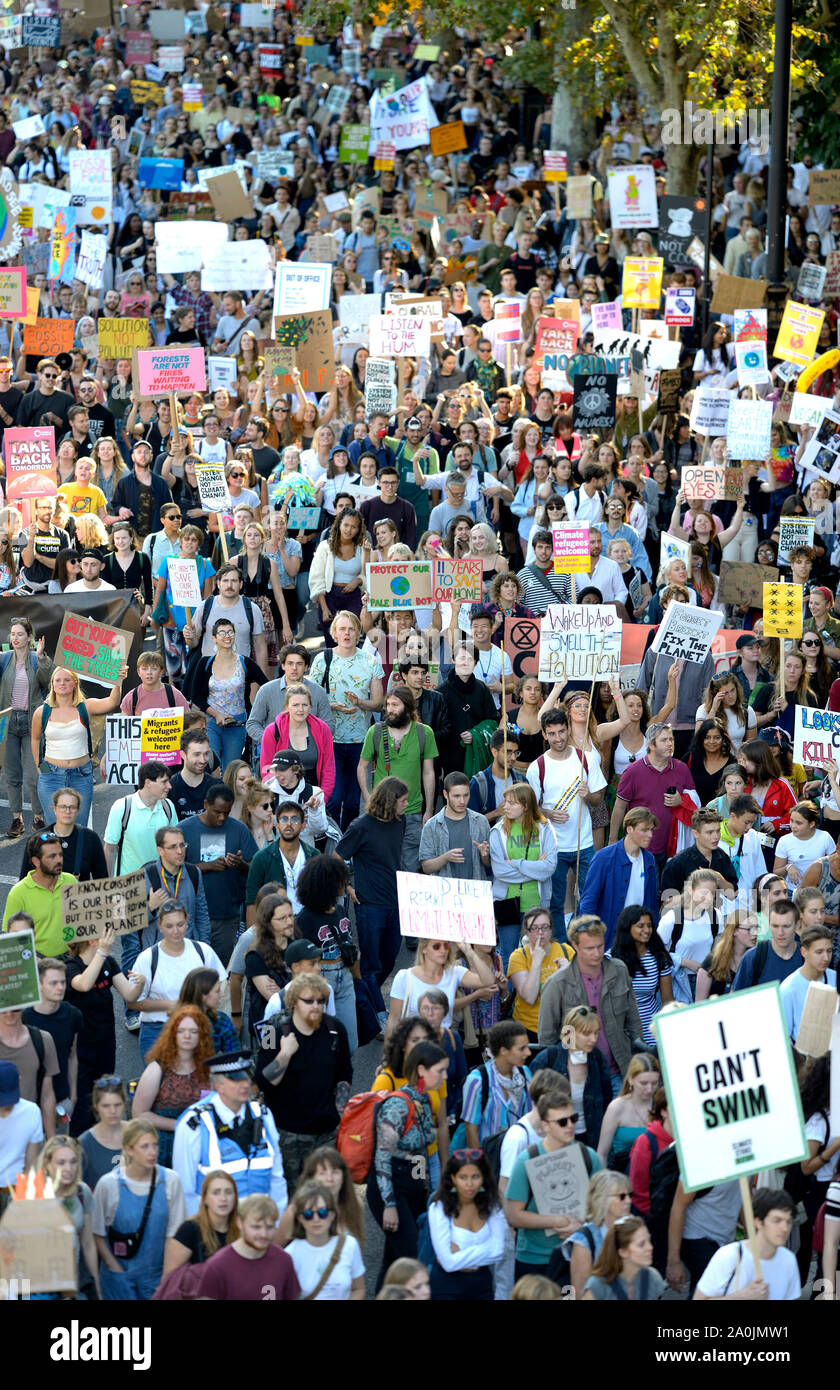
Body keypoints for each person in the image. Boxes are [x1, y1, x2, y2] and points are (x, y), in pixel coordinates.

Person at [255, 972, 353, 1189]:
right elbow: (262, 1081)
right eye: (308, 1001)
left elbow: (344, 1075)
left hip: (325, 1134)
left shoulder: (336, 1030)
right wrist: (285, 1054)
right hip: (286, 1135)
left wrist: (337, 1112)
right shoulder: (273, 1029)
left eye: (321, 1001)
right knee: (293, 1199)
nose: (316, 1006)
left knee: (325, 1199)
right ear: (293, 1002)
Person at [367, 1040, 448, 1287]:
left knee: (393, 1261)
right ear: (422, 1071)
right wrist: (389, 1205)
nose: (445, 1077)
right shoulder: (398, 1105)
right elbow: (381, 1157)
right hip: (391, 1189)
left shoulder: (424, 1100)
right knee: (415, 1261)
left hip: (412, 1187)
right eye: (440, 1071)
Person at [538, 915, 643, 1097]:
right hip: (578, 1075)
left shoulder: (619, 970)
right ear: (575, 946)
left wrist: (638, 1059)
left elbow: (633, 1020)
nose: (597, 953)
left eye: (600, 946)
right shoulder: (557, 984)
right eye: (589, 948)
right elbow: (547, 1038)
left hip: (619, 1070)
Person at [172, 1048, 287, 1215]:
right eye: (236, 1080)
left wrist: (277, 1225)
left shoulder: (262, 1114)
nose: (245, 1084)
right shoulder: (194, 1123)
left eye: (247, 1078)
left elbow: (277, 1178)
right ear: (219, 1086)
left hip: (260, 1227)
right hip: (217, 1230)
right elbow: (185, 1189)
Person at [505, 1090, 602, 1281]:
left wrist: (581, 1225)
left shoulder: (588, 1157)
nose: (570, 1126)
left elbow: (603, 1206)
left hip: (577, 1256)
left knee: (570, 1296)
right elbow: (513, 1215)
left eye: (573, 1118)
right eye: (562, 1122)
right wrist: (557, 1221)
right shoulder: (527, 1160)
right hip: (535, 1261)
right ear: (545, 1126)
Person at [525, 708, 606, 935]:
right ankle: (561, 947)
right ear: (544, 735)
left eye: (562, 732)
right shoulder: (537, 767)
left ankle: (583, 940)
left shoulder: (586, 759)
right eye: (552, 734)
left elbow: (598, 798)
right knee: (556, 902)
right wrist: (549, 814)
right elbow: (531, 809)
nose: (558, 738)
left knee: (590, 897)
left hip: (585, 843)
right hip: (554, 845)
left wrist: (587, 795)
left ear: (568, 729)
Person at [336, 778, 407, 1024]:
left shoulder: (400, 821)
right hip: (369, 906)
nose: (406, 805)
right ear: (389, 801)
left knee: (389, 957)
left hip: (395, 902)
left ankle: (361, 998)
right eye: (403, 801)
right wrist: (346, 885)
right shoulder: (361, 826)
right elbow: (337, 857)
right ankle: (378, 1014)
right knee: (371, 963)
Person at [92, 1118, 187, 1301]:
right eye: (144, 1147)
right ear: (129, 1149)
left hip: (156, 1278)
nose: (152, 1152)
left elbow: (174, 1235)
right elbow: (97, 1233)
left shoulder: (171, 1181)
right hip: (118, 1280)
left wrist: (166, 1280)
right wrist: (115, 1270)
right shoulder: (108, 1184)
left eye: (155, 1145)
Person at [308, 611, 384, 831]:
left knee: (352, 801)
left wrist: (360, 702)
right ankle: (329, 837)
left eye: (351, 629)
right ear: (334, 633)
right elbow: (310, 699)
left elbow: (378, 703)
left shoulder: (370, 660)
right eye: (342, 629)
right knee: (333, 797)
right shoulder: (323, 659)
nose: (347, 633)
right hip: (329, 739)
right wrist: (332, 706)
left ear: (358, 632)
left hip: (360, 740)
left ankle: (345, 847)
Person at [32, 664, 127, 829]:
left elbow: (112, 702)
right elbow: (34, 739)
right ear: (52, 684)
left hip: (81, 775)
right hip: (51, 777)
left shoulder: (86, 706)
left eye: (67, 680)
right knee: (56, 828)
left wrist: (118, 681)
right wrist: (40, 768)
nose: (62, 683)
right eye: (58, 680)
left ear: (75, 683)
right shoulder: (42, 712)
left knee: (80, 828)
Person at [132, 901, 227, 1063]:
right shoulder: (147, 958)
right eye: (169, 926)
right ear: (159, 925)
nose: (175, 931)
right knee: (159, 1083)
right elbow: (133, 1002)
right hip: (158, 1029)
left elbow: (222, 984)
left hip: (198, 1027)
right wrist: (170, 1005)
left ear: (188, 921)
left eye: (180, 925)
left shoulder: (203, 951)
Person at [357, 687, 437, 872]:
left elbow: (428, 773)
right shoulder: (375, 732)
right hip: (382, 813)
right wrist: (368, 797)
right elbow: (362, 766)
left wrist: (429, 810)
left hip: (413, 812)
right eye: (387, 705)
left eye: (395, 705)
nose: (389, 709)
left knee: (409, 868)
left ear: (408, 708)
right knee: (383, 866)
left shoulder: (424, 733)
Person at [180, 784, 258, 963]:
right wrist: (207, 866)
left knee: (222, 970)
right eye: (217, 812)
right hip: (192, 916)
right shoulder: (184, 829)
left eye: (227, 812)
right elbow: (173, 871)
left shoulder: (239, 829)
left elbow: (254, 871)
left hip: (227, 917)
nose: (222, 817)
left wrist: (240, 865)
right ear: (206, 805)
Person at [131, 1006, 214, 1167]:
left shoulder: (209, 1068)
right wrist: (180, 1126)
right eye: (181, 1031)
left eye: (193, 1031)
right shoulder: (157, 1069)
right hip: (164, 1150)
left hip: (200, 1148)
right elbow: (139, 1113)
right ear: (172, 1034)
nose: (187, 1036)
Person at [427, 1149, 507, 1301]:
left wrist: (461, 1254)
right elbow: (448, 1263)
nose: (469, 1184)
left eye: (475, 1177)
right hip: (446, 1288)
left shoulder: (492, 1206)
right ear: (453, 1178)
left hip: (482, 1285)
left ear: (483, 1178)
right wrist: (487, 1248)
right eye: (463, 1177)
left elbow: (498, 1252)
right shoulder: (439, 1208)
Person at [489, 784, 559, 956]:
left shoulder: (544, 828)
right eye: (506, 802)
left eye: (512, 803)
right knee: (508, 955)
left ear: (526, 806)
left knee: (536, 953)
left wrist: (515, 863)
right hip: (506, 902)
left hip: (536, 902)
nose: (505, 807)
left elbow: (549, 867)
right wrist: (535, 868)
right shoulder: (497, 831)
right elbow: (500, 871)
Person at [694, 1188, 800, 1300]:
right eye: (777, 1221)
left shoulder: (789, 1259)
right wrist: (742, 1297)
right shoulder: (730, 1255)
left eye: (788, 1222)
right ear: (758, 1222)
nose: (785, 1228)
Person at [0, 615, 53, 838]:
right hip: (9, 722)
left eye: (20, 634)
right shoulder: (4, 659)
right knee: (12, 774)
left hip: (33, 721)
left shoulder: (35, 658)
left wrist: (42, 658)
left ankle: (39, 817)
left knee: (34, 774)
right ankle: (16, 818)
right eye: (12, 634)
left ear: (30, 637)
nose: (15, 638)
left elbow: (51, 681)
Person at [192, 1193, 300, 1300]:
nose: (264, 1234)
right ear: (240, 1223)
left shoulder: (283, 1261)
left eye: (270, 1227)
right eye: (256, 1227)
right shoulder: (217, 1266)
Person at [578, 808, 660, 949]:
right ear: (629, 829)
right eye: (645, 830)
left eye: (651, 830)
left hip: (639, 939)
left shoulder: (649, 860)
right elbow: (589, 900)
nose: (650, 835)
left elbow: (651, 903)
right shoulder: (604, 858)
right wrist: (588, 938)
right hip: (609, 938)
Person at [22, 957, 82, 1132]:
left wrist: (73, 1095)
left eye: (63, 982)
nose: (60, 987)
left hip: (62, 1100)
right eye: (53, 983)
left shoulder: (73, 1015)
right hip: (30, 1103)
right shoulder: (24, 1018)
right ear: (39, 985)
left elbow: (73, 1056)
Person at [38, 1135, 101, 1299]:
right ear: (47, 1164)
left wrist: (97, 1289)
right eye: (61, 1163)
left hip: (73, 1282)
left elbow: (88, 1243)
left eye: (73, 1162)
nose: (68, 1168)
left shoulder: (82, 1192)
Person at [284, 1178, 365, 1300]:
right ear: (300, 1218)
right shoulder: (290, 1254)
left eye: (322, 1212)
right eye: (308, 1214)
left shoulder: (349, 1245)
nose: (316, 1219)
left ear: (332, 1215)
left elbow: (358, 1288)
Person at [459, 1020, 532, 1149]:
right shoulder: (477, 1081)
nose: (528, 1053)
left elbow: (529, 1119)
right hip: (489, 1158)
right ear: (503, 1050)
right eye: (522, 1048)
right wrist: (481, 1166)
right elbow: (471, 1129)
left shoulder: (525, 1074)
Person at [2, 834, 77, 957]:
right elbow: (10, 938)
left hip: (70, 960)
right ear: (36, 861)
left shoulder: (71, 881)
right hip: (38, 962)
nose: (59, 860)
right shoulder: (18, 893)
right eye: (52, 856)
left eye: (60, 855)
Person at [563, 1169, 634, 1300]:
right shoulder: (584, 1240)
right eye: (622, 1196)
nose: (629, 1201)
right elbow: (580, 1293)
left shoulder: (634, 1227)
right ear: (601, 1199)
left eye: (630, 1195)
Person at [258, 681, 335, 801]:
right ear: (287, 707)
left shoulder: (322, 729)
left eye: (304, 705)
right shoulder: (272, 731)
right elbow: (266, 768)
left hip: (314, 792)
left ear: (311, 706)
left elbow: (329, 768)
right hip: (281, 791)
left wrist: (322, 798)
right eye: (295, 705)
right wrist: (276, 796)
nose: (300, 709)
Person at [610, 906, 674, 1047]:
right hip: (622, 1028)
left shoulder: (659, 957)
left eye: (649, 926)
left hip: (651, 1029)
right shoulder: (610, 959)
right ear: (628, 928)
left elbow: (668, 1002)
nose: (647, 930)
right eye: (640, 926)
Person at [506, 906, 575, 1036]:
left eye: (544, 927)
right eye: (534, 928)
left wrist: (569, 973)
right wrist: (537, 960)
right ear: (526, 931)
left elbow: (579, 995)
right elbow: (530, 997)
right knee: (540, 1057)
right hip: (530, 1029)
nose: (540, 932)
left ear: (551, 929)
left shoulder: (567, 951)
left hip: (566, 1028)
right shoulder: (518, 956)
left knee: (571, 1056)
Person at [20, 787, 108, 883]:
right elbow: (24, 881)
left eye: (72, 807)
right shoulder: (37, 840)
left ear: (78, 810)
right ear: (54, 809)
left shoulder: (90, 838)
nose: (67, 811)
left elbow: (102, 881)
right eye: (63, 807)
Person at [161, 1169, 240, 1274]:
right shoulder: (190, 1229)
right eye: (216, 1193)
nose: (223, 1198)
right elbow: (169, 1277)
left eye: (228, 1192)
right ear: (205, 1198)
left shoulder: (242, 1228)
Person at [420, 770, 493, 882]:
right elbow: (426, 867)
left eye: (466, 795)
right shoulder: (431, 825)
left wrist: (485, 855)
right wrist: (445, 858)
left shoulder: (481, 821)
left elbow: (488, 864)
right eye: (456, 796)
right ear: (445, 794)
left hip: (475, 891)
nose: (462, 801)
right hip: (445, 893)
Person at [0, 1005, 59, 1139]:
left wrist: (52, 1142)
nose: (9, 1013)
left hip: (30, 1131)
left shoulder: (42, 1040)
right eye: (3, 1008)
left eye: (14, 1008)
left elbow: (47, 1095)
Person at [596, 1054, 661, 1171]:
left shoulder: (660, 1104)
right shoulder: (616, 1107)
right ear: (631, 1079)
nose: (650, 1089)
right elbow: (602, 1153)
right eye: (644, 1083)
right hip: (625, 1174)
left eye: (654, 1083)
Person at [582, 1216, 665, 1300]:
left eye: (649, 1241)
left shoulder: (652, 1278)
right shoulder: (598, 1285)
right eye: (641, 1244)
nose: (650, 1247)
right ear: (623, 1252)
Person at [780, 925, 837, 1042]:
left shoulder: (835, 978)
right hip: (805, 1057)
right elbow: (784, 1038)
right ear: (804, 952)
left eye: (829, 951)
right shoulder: (788, 989)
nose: (826, 958)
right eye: (819, 952)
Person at [731, 896, 802, 990]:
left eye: (786, 926)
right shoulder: (753, 957)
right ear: (769, 924)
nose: (780, 932)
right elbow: (736, 997)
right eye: (775, 926)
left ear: (797, 925)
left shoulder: (807, 957)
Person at [0, 1062, 43, 1196]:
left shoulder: (32, 1111)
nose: (7, 1104)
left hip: (16, 1189)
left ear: (19, 1081)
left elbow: (32, 1164)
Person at [77, 1078, 128, 1190]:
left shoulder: (136, 1133)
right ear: (96, 1106)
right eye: (106, 1106)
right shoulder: (84, 1144)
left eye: (117, 1105)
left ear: (124, 1104)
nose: (113, 1111)